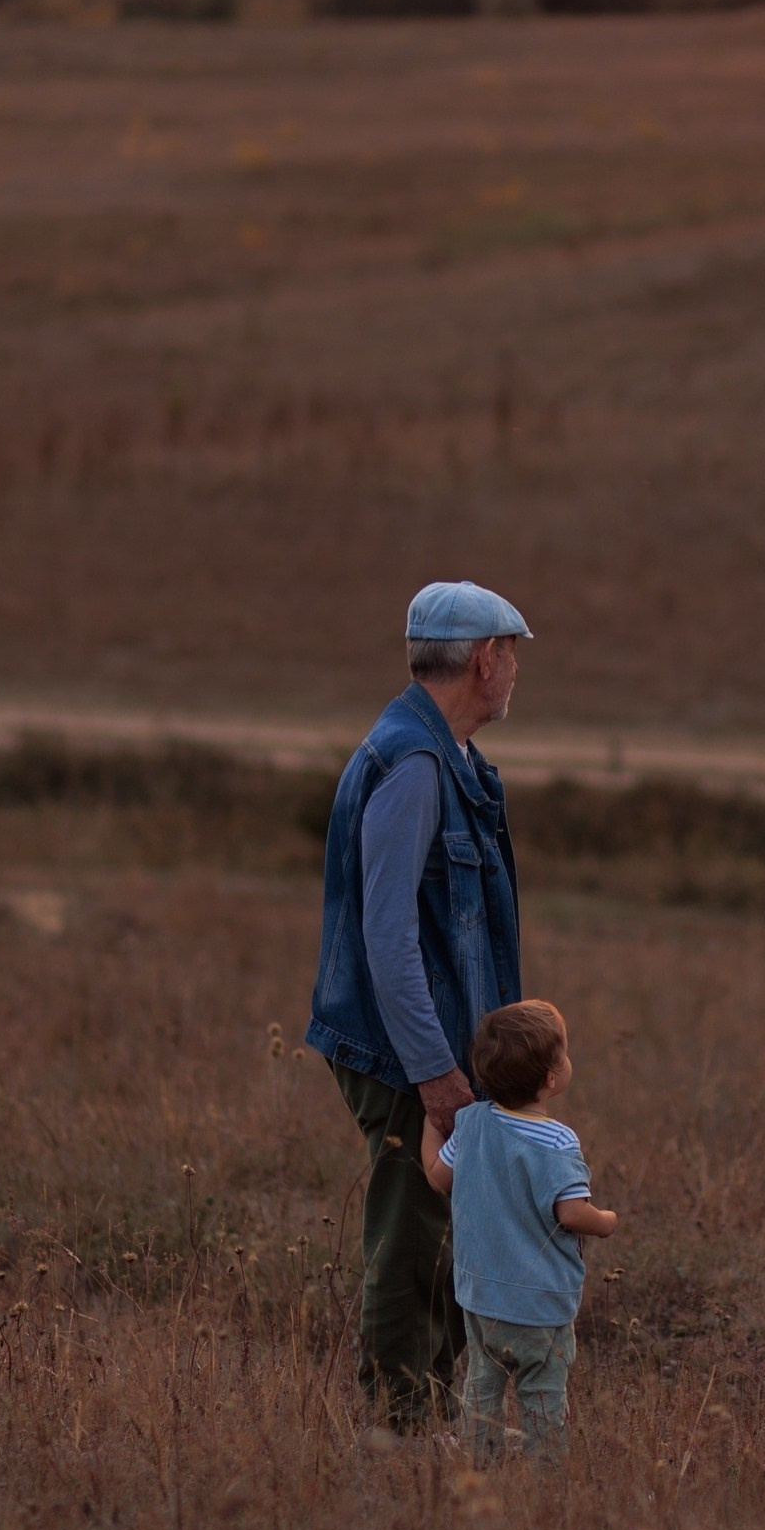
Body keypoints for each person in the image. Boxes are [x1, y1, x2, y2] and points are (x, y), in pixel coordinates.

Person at [305, 580, 531, 1426]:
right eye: (512, 652)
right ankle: (398, 1436)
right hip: (407, 1053)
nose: (514, 671)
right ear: (484, 659)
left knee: (445, 1241)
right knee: (412, 1245)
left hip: (436, 1050)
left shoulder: (446, 757)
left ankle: (432, 1424)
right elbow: (388, 937)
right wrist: (437, 1075)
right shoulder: (414, 764)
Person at [422, 999, 617, 1465]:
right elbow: (572, 1213)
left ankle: (475, 1461)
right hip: (540, 1305)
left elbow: (436, 1175)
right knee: (543, 1394)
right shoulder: (557, 1141)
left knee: (481, 1385)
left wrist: (431, 1123)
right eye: (564, 1055)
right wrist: (606, 1221)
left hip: (479, 1297)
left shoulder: (470, 1125)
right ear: (552, 1078)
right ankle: (544, 1480)